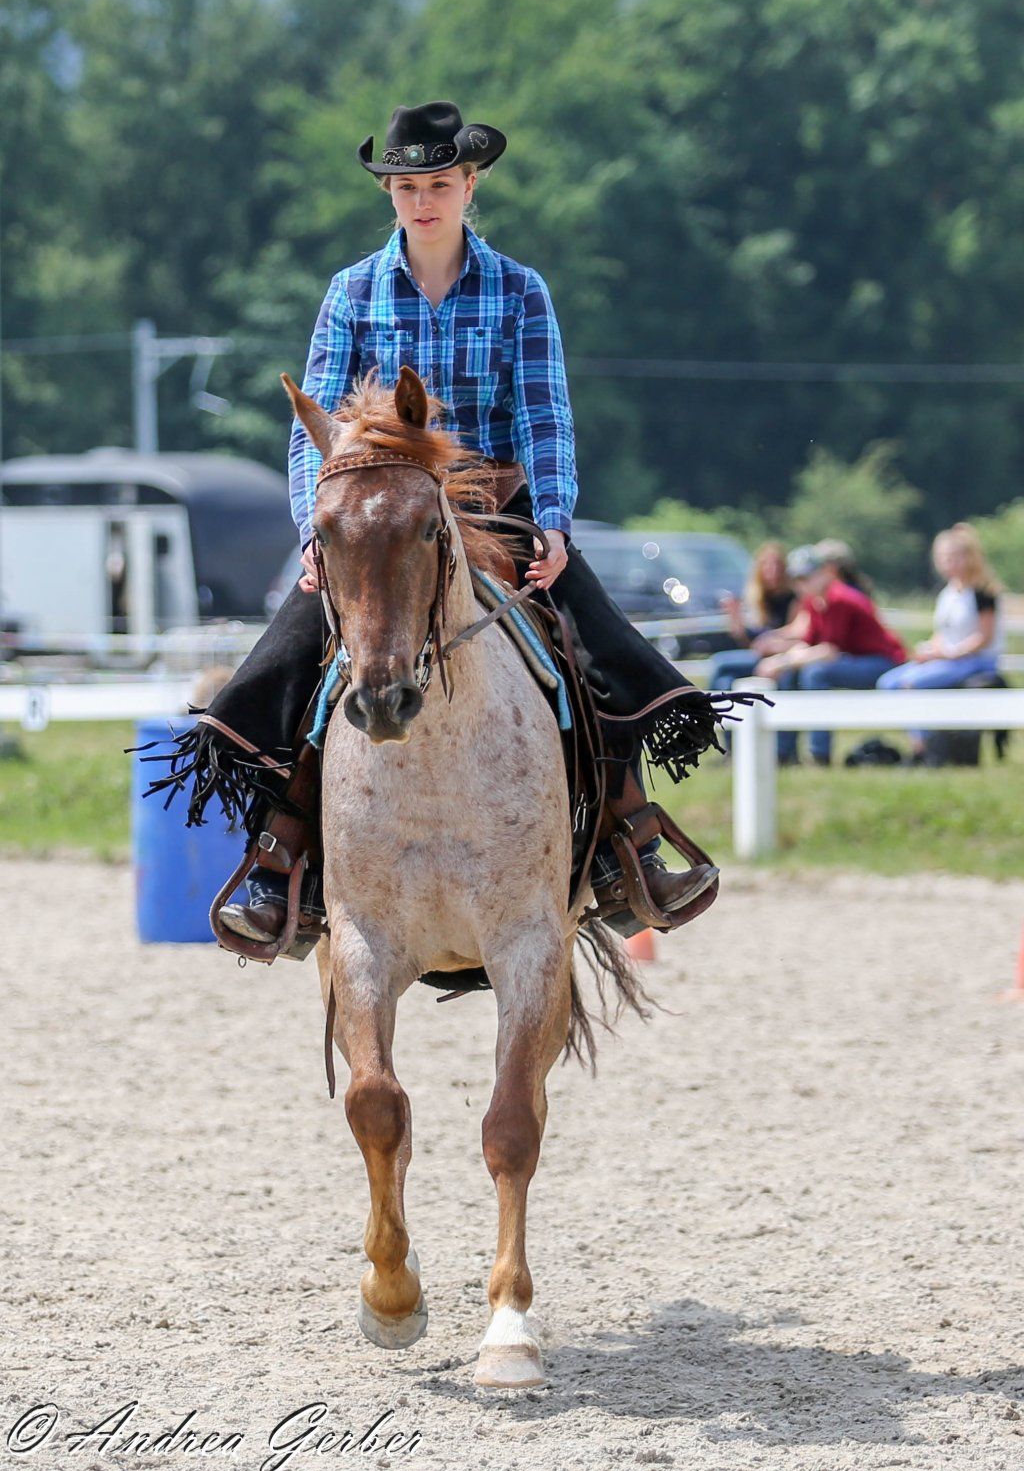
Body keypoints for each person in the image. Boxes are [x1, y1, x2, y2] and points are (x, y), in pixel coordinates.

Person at [153, 101, 735, 951]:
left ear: (469, 183)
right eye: (406, 185)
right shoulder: (351, 290)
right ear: (389, 191)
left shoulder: (521, 290)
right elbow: (309, 422)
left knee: (594, 643)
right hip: (379, 515)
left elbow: (545, 417)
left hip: (495, 507)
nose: (422, 199)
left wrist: (556, 521)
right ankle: (283, 853)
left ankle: (625, 840)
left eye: (438, 183)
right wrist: (313, 531)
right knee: (289, 653)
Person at [757, 543, 907, 765]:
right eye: (796, 579)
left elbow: (829, 650)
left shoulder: (840, 599)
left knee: (816, 673)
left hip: (882, 662)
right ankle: (784, 752)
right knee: (791, 674)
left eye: (806, 577)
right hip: (853, 659)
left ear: (825, 572)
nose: (801, 584)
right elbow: (808, 642)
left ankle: (820, 754)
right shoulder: (814, 600)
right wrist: (782, 663)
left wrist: (782, 661)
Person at [876, 523, 1004, 760]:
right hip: (949, 656)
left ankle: (926, 749)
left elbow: (984, 637)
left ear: (968, 558)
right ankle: (919, 740)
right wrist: (930, 649)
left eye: (953, 558)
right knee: (889, 682)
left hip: (974, 659)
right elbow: (943, 632)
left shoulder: (983, 592)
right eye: (944, 558)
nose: (948, 564)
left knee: (909, 684)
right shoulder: (948, 592)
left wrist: (951, 653)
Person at [708, 541, 798, 697]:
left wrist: (771, 642)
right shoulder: (758, 598)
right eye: (767, 566)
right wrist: (735, 618)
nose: (772, 571)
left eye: (776, 565)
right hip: (760, 654)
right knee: (725, 679)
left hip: (780, 656)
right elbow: (749, 642)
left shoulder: (794, 598)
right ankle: (722, 718)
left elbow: (796, 634)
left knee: (721, 663)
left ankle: (704, 713)